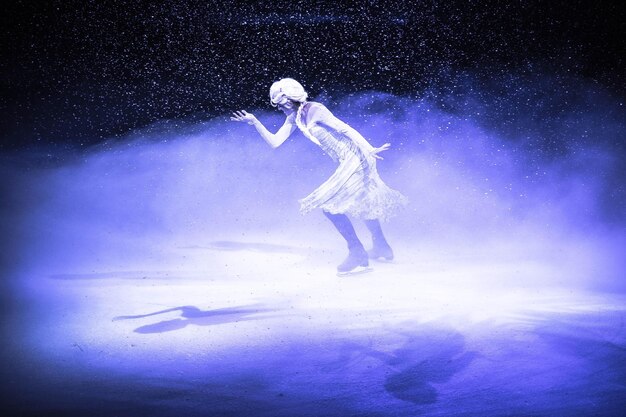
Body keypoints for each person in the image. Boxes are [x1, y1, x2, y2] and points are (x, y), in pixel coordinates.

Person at [231, 78, 407, 275]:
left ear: (288, 99)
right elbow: (275, 142)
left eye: (279, 104)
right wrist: (255, 122)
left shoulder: (315, 109)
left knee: (329, 206)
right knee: (363, 201)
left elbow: (344, 129)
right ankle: (381, 245)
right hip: (349, 160)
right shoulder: (295, 118)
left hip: (356, 158)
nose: (279, 109)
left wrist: (369, 148)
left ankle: (357, 252)